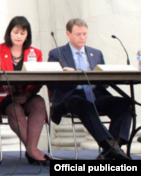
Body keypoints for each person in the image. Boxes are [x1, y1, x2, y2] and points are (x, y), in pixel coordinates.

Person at [48, 18, 133, 160]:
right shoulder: (57, 54)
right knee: (82, 104)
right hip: (70, 95)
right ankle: (112, 149)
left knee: (125, 104)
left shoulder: (96, 53)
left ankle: (110, 150)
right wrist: (64, 75)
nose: (83, 38)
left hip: (95, 94)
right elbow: (51, 84)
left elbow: (104, 84)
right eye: (78, 34)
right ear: (68, 34)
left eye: (85, 34)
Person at [0, 16, 48, 165]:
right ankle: (33, 151)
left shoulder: (35, 53)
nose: (19, 36)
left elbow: (38, 78)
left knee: (39, 102)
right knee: (15, 109)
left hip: (27, 94)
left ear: (27, 35)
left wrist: (28, 94)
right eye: (16, 32)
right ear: (9, 32)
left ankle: (31, 150)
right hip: (4, 95)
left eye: (23, 33)